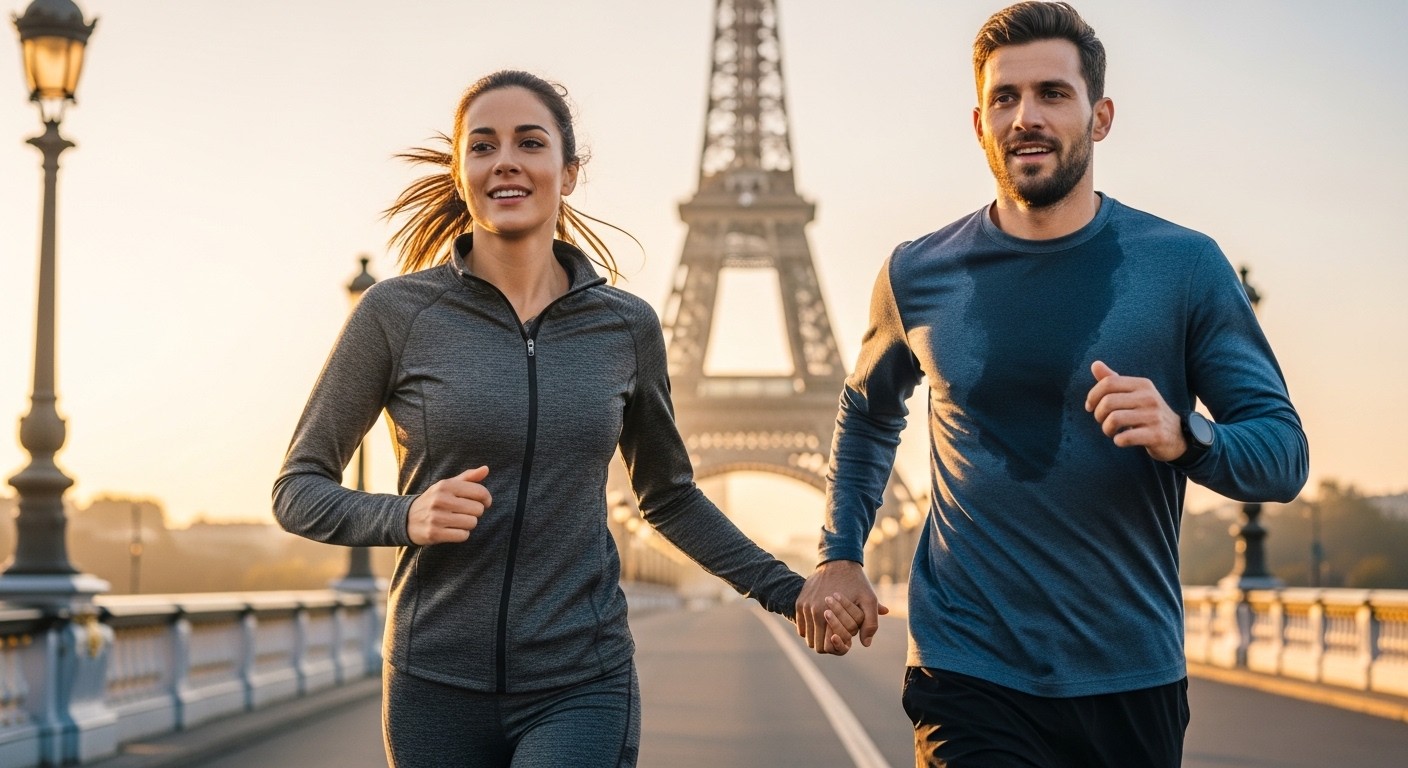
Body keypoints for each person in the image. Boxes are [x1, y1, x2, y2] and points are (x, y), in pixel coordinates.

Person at [272, 69, 855, 768]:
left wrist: (791, 593)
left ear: (568, 172)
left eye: (530, 142)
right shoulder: (397, 315)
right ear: (462, 173)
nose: (506, 160)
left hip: (581, 679)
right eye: (483, 146)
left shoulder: (625, 327)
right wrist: (405, 516)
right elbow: (297, 487)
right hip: (434, 683)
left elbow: (668, 497)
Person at [794, 3, 1309, 766]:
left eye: (1052, 94)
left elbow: (1282, 454)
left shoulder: (1184, 267)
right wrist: (839, 549)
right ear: (979, 123)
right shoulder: (916, 273)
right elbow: (868, 415)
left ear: (1100, 117)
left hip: (1130, 675)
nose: (1025, 117)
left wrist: (1184, 433)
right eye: (1005, 98)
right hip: (968, 670)